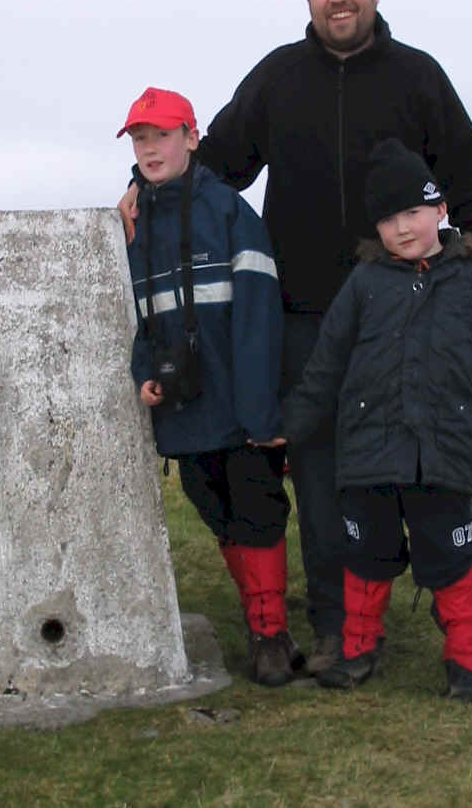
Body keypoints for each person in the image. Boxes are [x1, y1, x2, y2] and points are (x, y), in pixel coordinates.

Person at [118, 0, 472, 687]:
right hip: (305, 317)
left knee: (435, 474)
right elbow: (215, 165)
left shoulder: (418, 76)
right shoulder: (277, 78)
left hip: (411, 309)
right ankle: (337, 629)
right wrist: (144, 189)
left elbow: (470, 176)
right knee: (327, 477)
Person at [280, 138, 472, 704]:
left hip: (441, 456)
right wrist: (293, 423)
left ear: (440, 209)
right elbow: (327, 362)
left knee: (452, 560)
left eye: (413, 212)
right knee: (365, 559)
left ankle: (469, 665)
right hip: (367, 455)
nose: (402, 227)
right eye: (389, 218)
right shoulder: (364, 284)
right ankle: (358, 651)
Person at [118, 86, 300, 687]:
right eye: (141, 139)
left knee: (258, 513)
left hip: (239, 408)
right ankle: (262, 618)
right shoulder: (132, 223)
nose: (150, 149)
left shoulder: (230, 213)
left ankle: (270, 636)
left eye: (162, 135)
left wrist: (262, 414)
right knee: (216, 512)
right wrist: (145, 374)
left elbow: (259, 318)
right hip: (182, 409)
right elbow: (135, 317)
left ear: (192, 139)